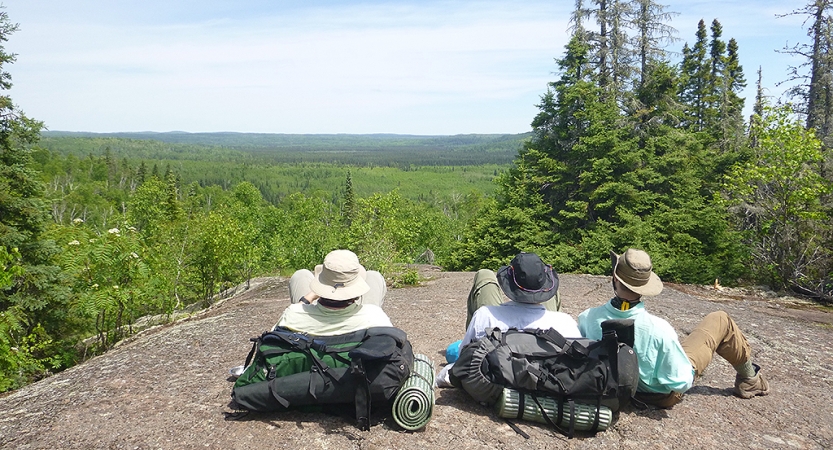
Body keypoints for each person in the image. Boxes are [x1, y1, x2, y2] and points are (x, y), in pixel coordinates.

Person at [577, 248, 770, 408]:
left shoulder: (587, 318)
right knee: (719, 319)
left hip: (609, 389)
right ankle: (750, 380)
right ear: (645, 286)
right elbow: (681, 381)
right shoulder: (660, 329)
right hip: (655, 397)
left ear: (615, 278)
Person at [438, 252, 580, 386]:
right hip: (547, 383)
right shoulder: (566, 323)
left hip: (496, 380)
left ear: (509, 283)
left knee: (484, 275)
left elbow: (464, 359)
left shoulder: (485, 316)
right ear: (546, 286)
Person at [274, 249, 392, 336]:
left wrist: (309, 297)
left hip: (311, 353)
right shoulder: (375, 317)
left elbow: (272, 339)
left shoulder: (292, 315)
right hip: (357, 353)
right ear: (356, 291)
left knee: (301, 275)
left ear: (321, 287)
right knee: (374, 276)